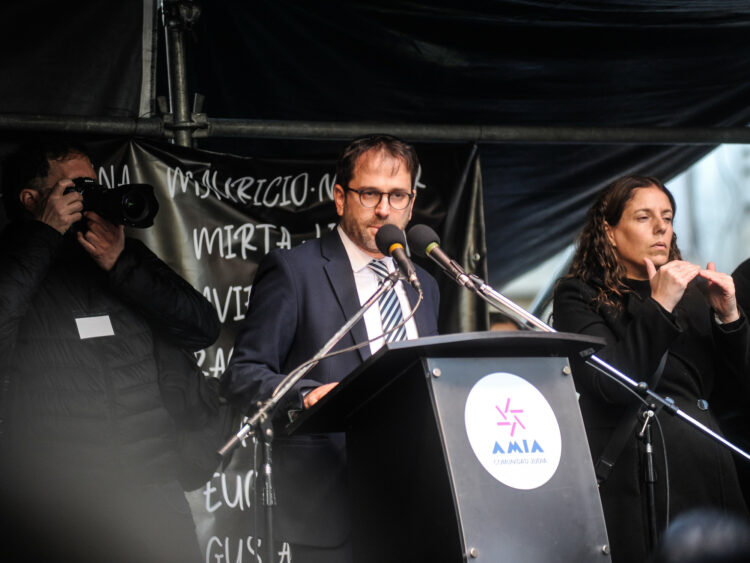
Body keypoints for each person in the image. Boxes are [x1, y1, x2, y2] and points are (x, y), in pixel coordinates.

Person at [220, 134, 440, 562]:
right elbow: (244, 373)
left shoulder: (424, 284)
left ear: (411, 205)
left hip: (416, 500)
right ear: (340, 197)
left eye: (397, 196)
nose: (383, 209)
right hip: (331, 506)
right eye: (370, 193)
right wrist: (305, 395)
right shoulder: (294, 271)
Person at [0, 137, 221, 563]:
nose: (91, 198)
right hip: (54, 502)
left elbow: (203, 327)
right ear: (32, 199)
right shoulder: (13, 261)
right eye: (75, 189)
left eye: (94, 186)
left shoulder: (122, 253)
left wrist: (122, 264)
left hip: (151, 492)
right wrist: (42, 236)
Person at [552, 175, 750, 563]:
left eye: (668, 216)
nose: (661, 227)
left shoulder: (695, 294)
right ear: (609, 232)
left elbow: (738, 392)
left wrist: (730, 318)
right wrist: (659, 305)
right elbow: (606, 382)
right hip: (639, 477)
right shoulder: (579, 294)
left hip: (709, 469)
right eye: (644, 217)